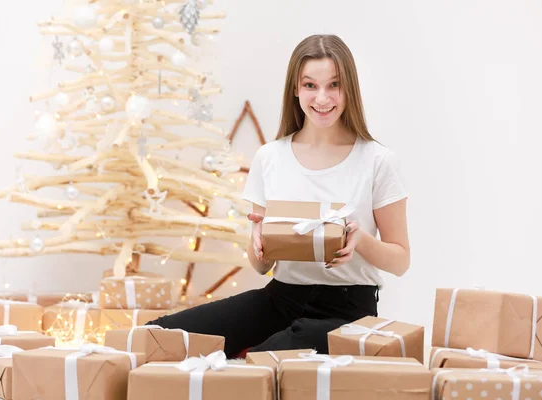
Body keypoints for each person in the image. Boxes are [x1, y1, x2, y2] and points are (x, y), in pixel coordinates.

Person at [147, 34, 410, 358]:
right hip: (280, 298)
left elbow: (401, 261)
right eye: (311, 85)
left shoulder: (377, 160)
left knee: (259, 363)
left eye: (334, 85)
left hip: (347, 310)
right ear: (296, 89)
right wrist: (260, 245)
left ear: (349, 89)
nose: (322, 97)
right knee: (159, 336)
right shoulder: (270, 157)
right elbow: (260, 266)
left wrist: (360, 240)